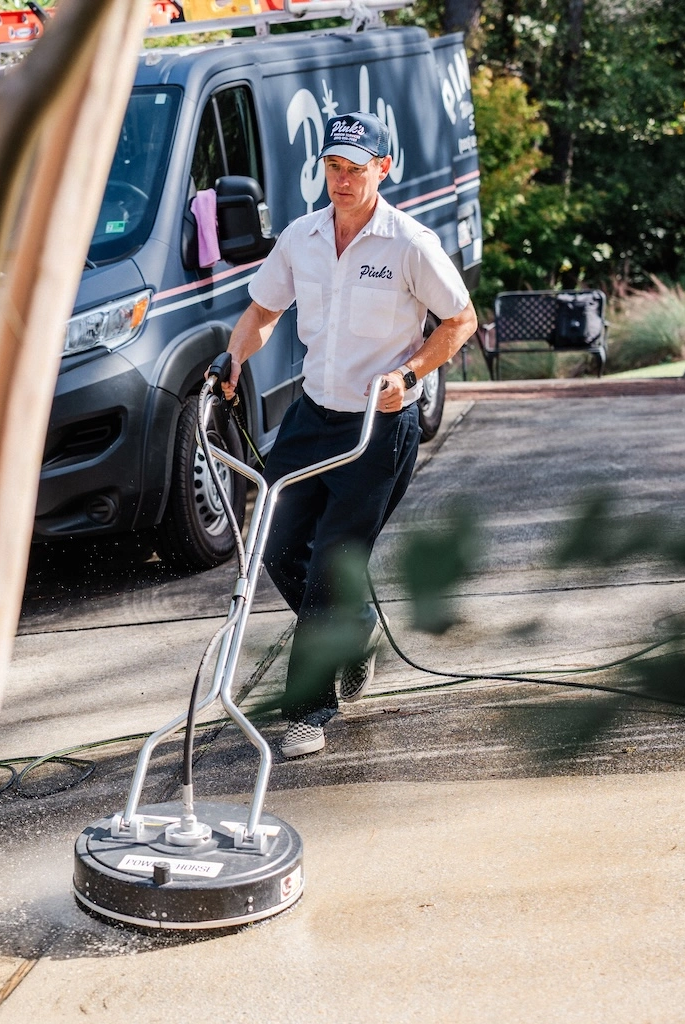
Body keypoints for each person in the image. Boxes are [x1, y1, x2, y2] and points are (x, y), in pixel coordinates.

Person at [221, 111, 477, 758]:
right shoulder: (302, 238)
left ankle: (308, 709)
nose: (341, 181)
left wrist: (411, 372)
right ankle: (357, 624)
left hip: (379, 424)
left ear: (382, 170)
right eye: (333, 168)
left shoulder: (410, 244)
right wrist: (234, 358)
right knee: (276, 549)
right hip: (313, 417)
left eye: (355, 170)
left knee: (335, 560)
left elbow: (461, 319)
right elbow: (263, 311)